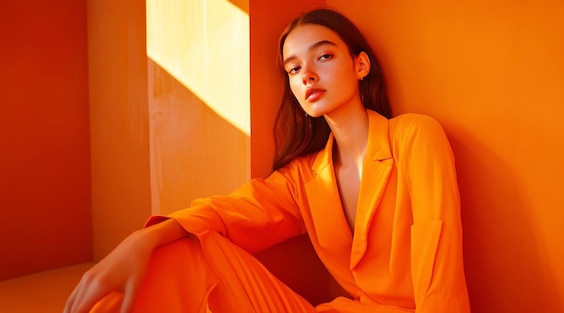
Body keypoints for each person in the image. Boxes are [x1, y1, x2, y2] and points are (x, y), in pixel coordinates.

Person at [64, 8, 471, 313]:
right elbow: (225, 213)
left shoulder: (415, 136)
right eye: (294, 69)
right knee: (177, 252)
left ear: (359, 64)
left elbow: (441, 274)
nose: (307, 75)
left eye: (323, 57)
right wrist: (143, 239)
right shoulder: (304, 177)